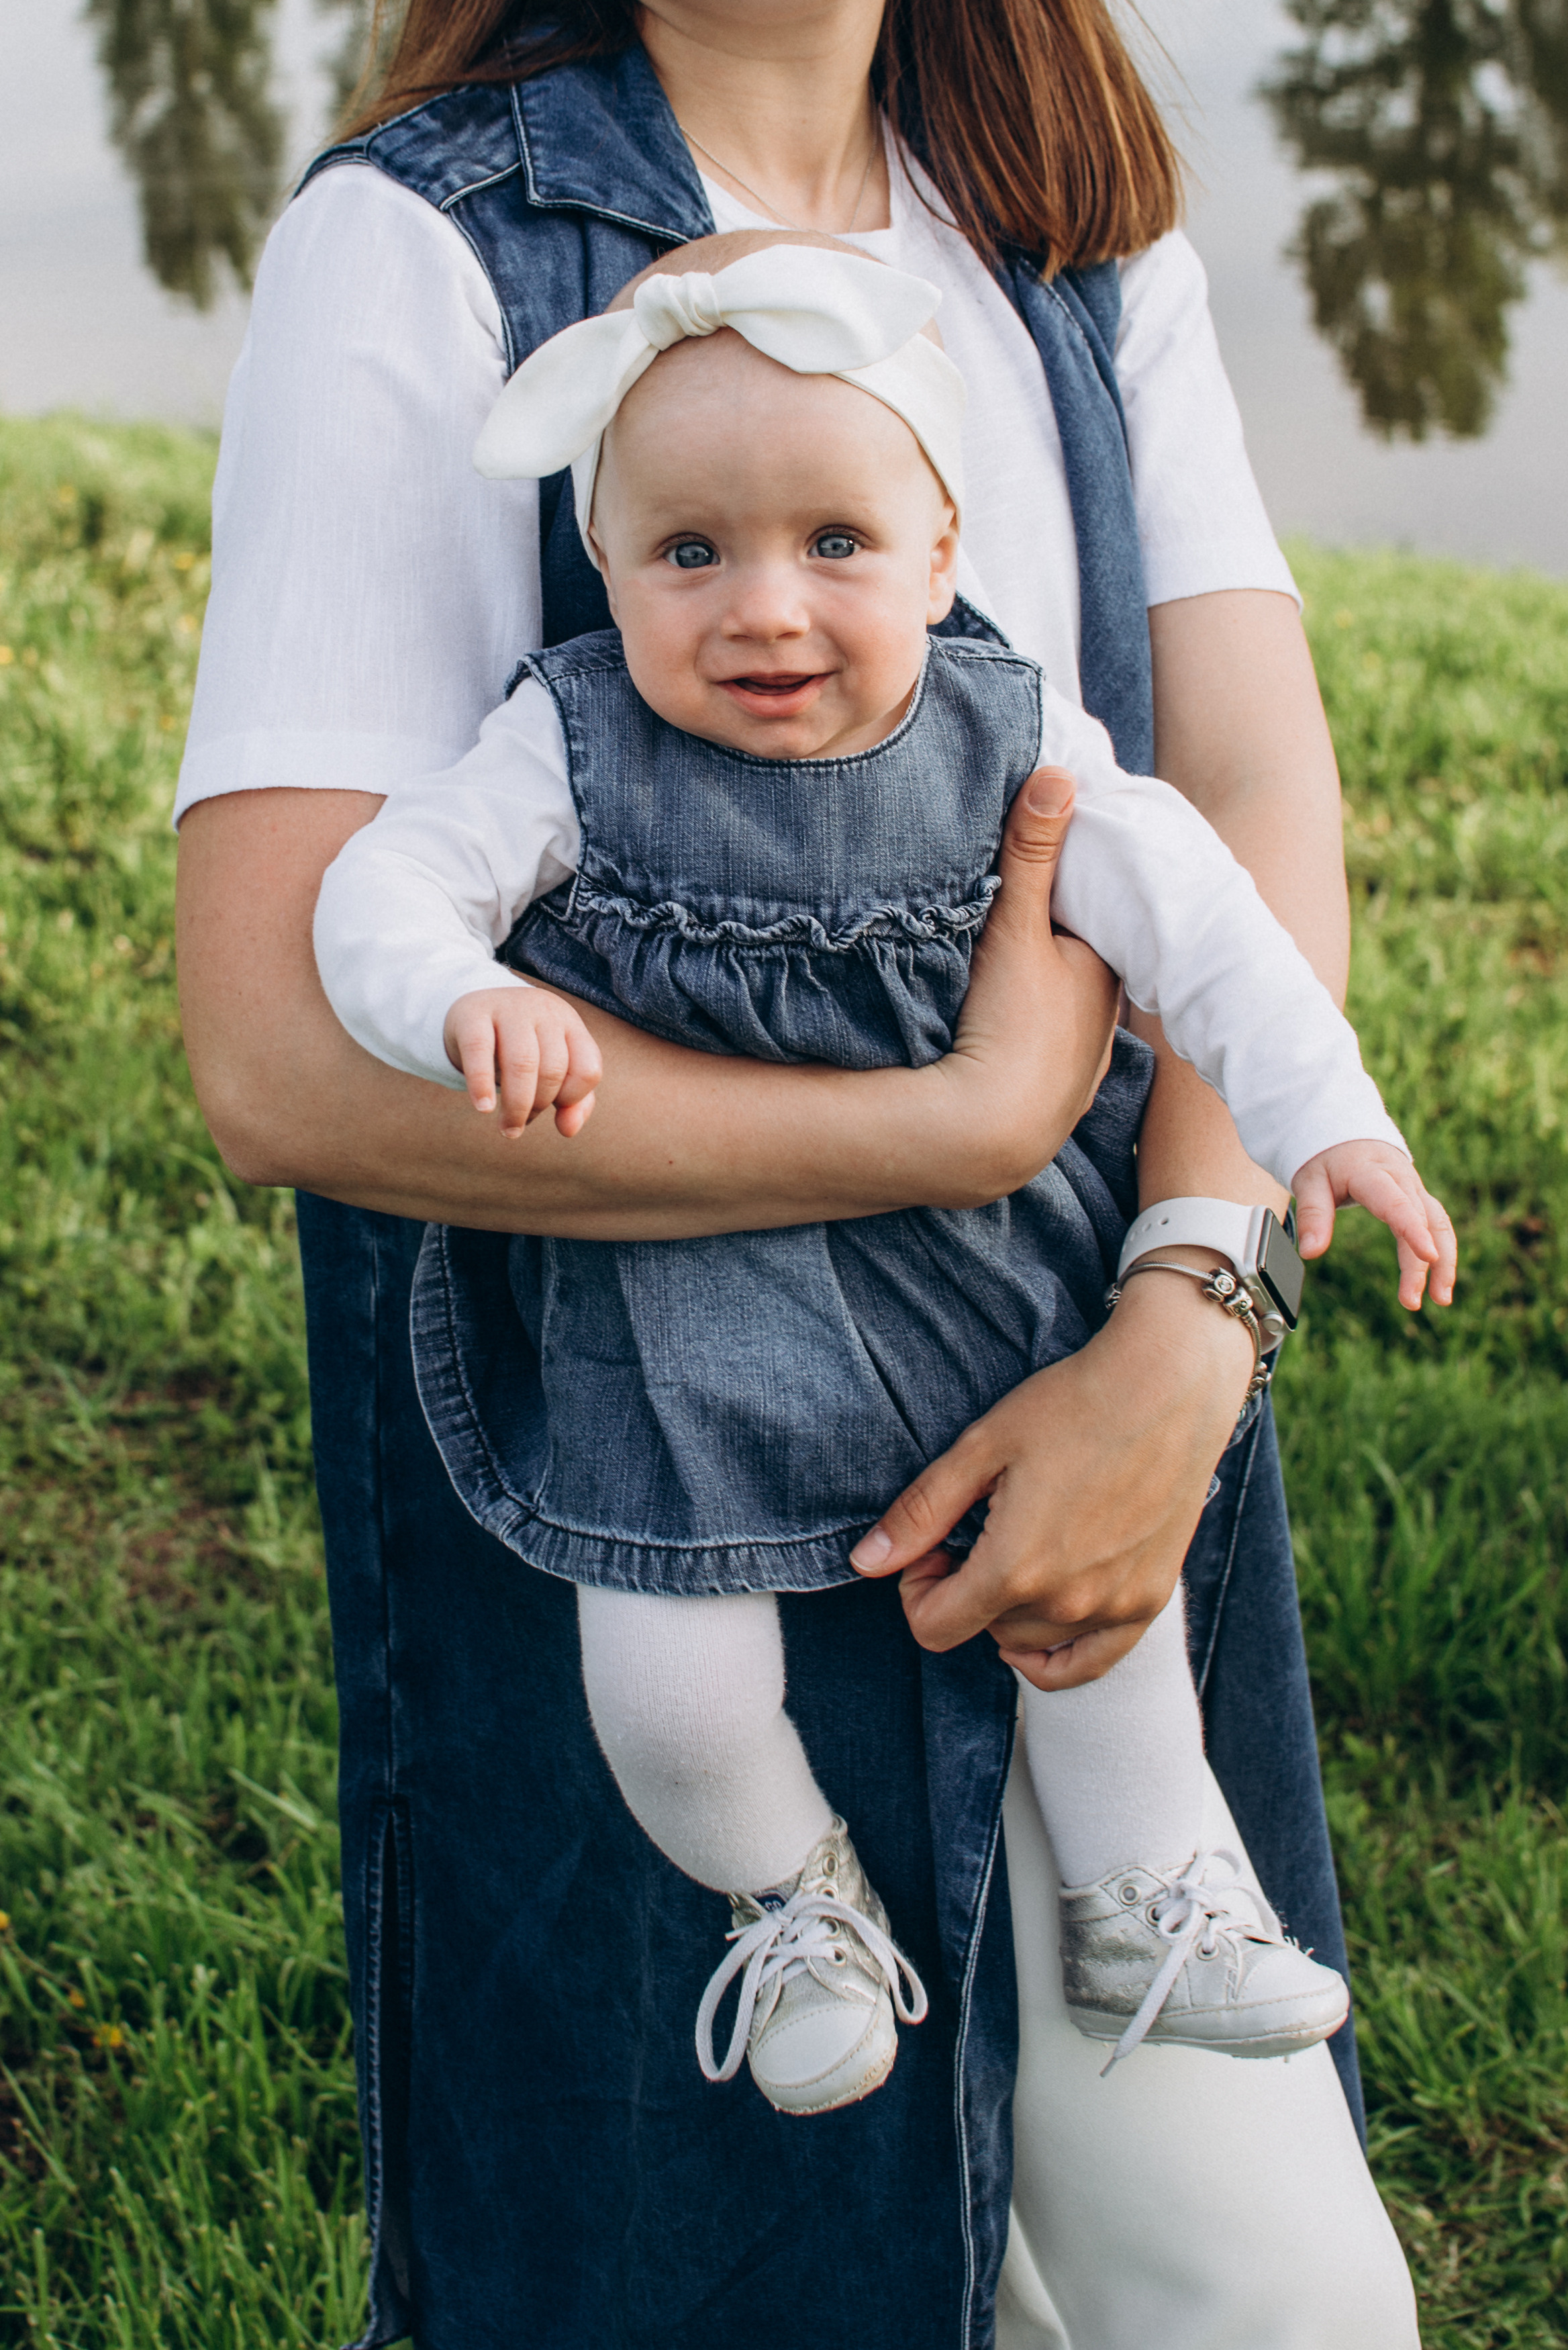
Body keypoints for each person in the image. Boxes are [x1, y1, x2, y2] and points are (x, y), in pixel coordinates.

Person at [174, 0, 1426, 2340]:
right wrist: (950, 1120)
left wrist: (1190, 1312)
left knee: (1258, 2292)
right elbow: (277, 1051)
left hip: (1097, 1433)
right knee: (725, 2270)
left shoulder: (1066, 214)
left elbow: (1244, 795)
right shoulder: (429, 247)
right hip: (640, 1475)